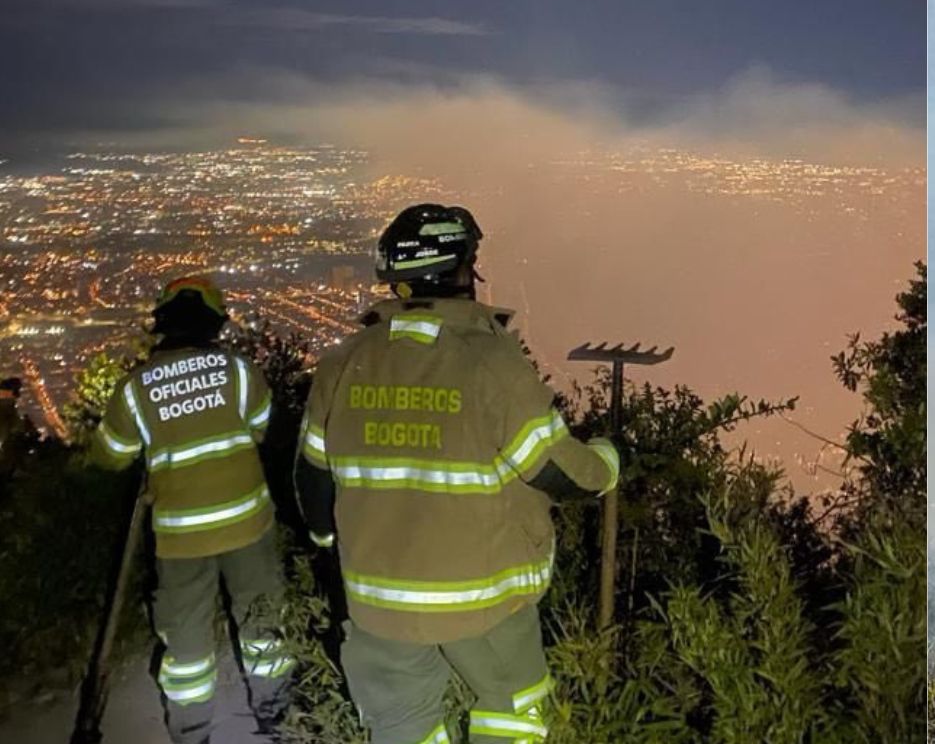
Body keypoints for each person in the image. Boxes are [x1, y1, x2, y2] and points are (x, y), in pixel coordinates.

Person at [297, 203, 619, 744]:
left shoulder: (344, 363)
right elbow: (562, 472)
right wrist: (610, 460)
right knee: (513, 714)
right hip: (483, 601)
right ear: (464, 269)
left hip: (378, 603)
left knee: (404, 729)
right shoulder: (488, 362)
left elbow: (313, 483)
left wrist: (333, 543)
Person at [92, 276, 288, 743]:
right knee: (263, 622)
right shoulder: (238, 372)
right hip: (249, 525)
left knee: (187, 643)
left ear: (162, 325)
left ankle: (192, 731)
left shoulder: (136, 388)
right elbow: (263, 427)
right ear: (215, 324)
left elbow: (109, 455)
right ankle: (277, 715)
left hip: (181, 539)